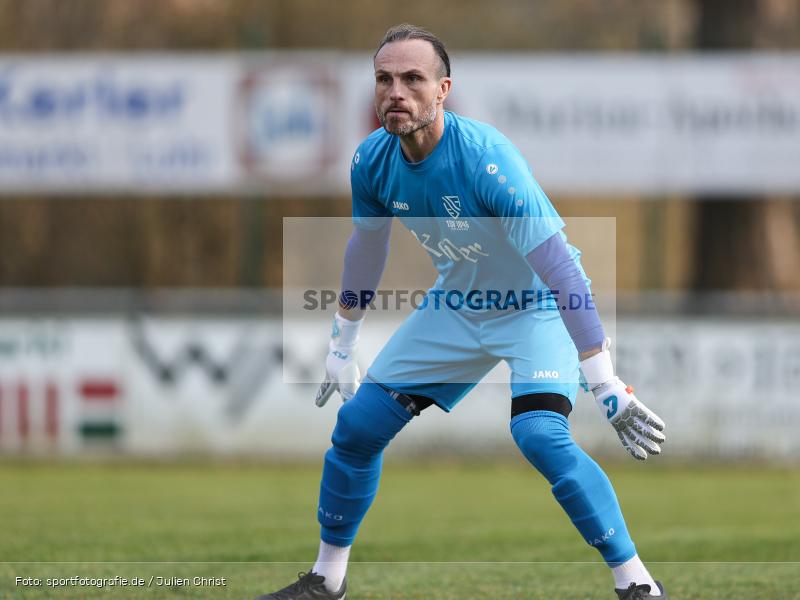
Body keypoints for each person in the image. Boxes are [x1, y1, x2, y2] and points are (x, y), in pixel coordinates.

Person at [259, 24, 667, 600]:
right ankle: (327, 582)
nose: (395, 92)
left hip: (535, 307)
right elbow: (367, 249)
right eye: (384, 79)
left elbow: (561, 270)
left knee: (540, 435)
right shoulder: (371, 160)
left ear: (443, 89)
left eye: (412, 79)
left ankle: (637, 585)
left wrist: (604, 383)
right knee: (355, 430)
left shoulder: (486, 160)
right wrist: (341, 345)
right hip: (458, 304)